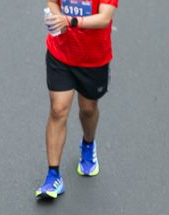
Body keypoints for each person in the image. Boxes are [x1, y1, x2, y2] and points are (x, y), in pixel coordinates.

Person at [35, 0, 118, 200]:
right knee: (58, 110)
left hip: (94, 60)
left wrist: (70, 21)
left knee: (88, 109)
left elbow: (104, 18)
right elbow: (52, 2)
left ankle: (88, 144)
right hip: (60, 54)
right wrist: (56, 18)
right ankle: (53, 176)